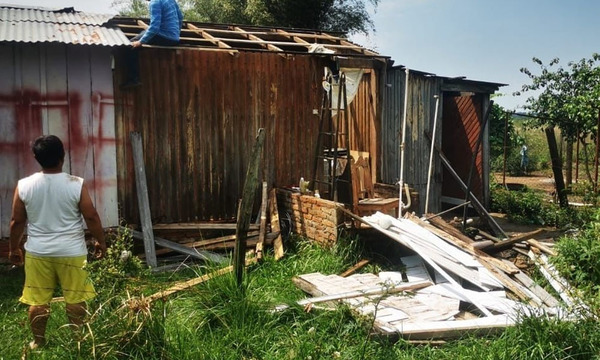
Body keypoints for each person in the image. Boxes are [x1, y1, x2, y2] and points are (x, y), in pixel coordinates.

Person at [8, 135, 107, 349]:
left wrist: (13, 248)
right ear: (63, 156)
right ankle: (79, 340)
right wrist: (101, 242)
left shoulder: (24, 186)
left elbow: (17, 221)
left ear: (36, 157)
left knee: (38, 300)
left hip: (38, 252)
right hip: (72, 252)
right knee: (75, 299)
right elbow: (91, 217)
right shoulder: (76, 184)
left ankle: (39, 342)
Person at [122, 0, 184, 88]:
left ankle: (133, 79)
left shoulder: (155, 2)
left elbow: (154, 27)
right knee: (143, 32)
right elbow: (181, 17)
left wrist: (140, 42)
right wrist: (176, 33)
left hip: (162, 36)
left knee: (129, 46)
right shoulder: (171, 1)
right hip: (174, 39)